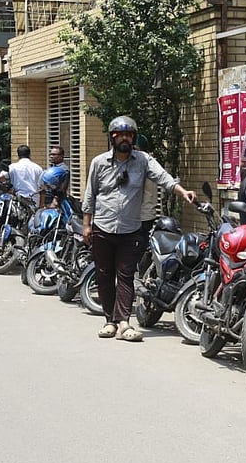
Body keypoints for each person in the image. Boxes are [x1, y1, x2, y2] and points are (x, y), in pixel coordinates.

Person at [82, 115, 196, 342]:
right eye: (120, 134)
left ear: (133, 138)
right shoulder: (99, 163)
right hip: (102, 228)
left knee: (125, 276)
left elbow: (164, 178)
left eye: (129, 135)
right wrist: (87, 225)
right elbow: (90, 194)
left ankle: (124, 323)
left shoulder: (143, 160)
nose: (125, 138)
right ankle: (109, 321)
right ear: (112, 138)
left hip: (130, 229)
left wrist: (183, 192)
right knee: (105, 276)